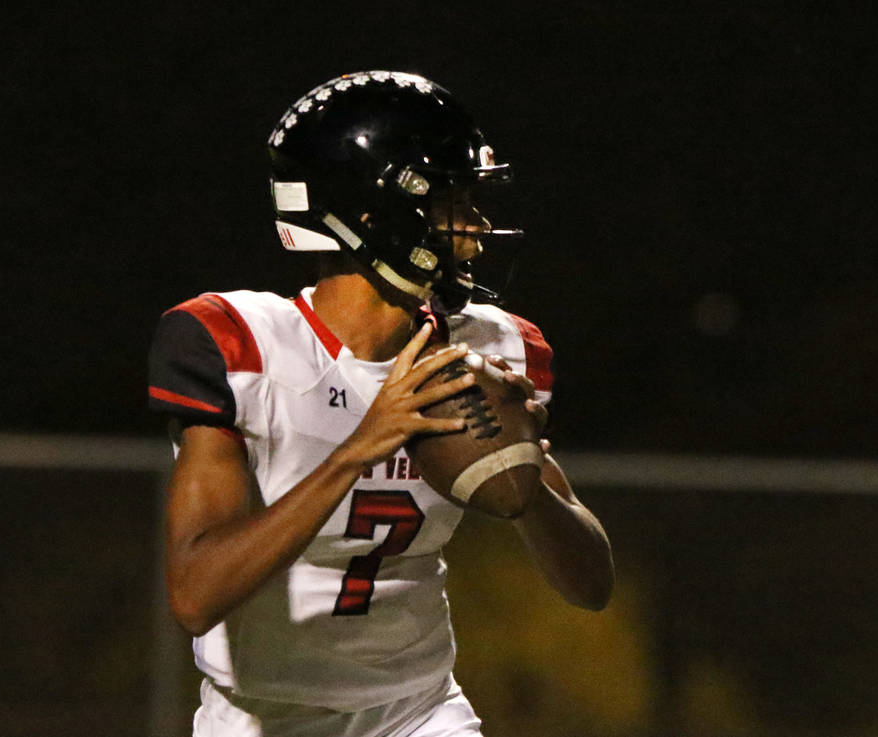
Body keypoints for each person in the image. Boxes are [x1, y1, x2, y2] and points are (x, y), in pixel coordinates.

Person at [147, 70, 614, 737]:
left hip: (417, 712)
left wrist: (526, 485)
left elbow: (591, 586)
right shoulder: (241, 345)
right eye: (454, 201)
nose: (477, 225)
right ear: (379, 217)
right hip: (259, 720)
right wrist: (361, 445)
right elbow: (194, 595)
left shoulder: (488, 350)